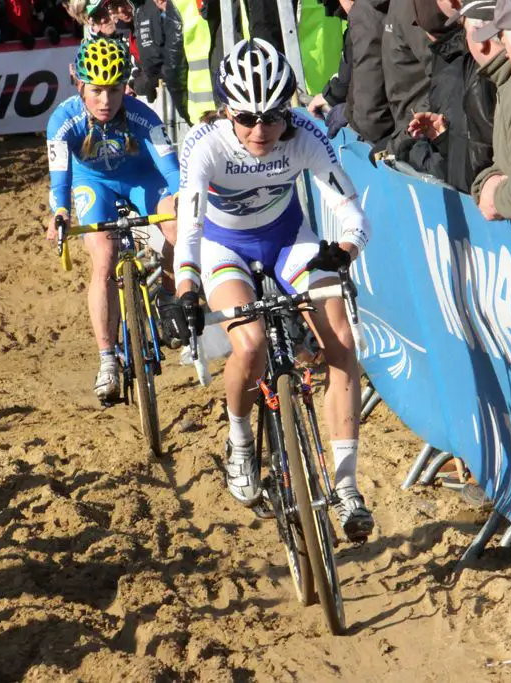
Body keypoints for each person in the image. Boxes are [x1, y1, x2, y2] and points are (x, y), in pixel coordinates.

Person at [173, 38, 375, 541]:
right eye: (246, 118)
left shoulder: (304, 133)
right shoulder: (206, 145)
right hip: (224, 249)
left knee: (342, 342)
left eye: (271, 118)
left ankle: (347, 487)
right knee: (251, 343)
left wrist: (344, 250)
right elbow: (190, 229)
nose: (260, 130)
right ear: (226, 111)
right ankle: (241, 442)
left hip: (288, 240)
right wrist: (186, 288)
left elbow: (353, 212)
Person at [45, 37, 180, 403]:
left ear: (126, 87)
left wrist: (180, 199)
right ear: (80, 86)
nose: (106, 102)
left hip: (141, 178)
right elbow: (61, 180)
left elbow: (172, 172)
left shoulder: (141, 115)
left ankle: (167, 296)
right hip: (95, 183)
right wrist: (59, 213)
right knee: (103, 261)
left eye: (115, 90)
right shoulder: (63, 120)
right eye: (97, 91)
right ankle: (107, 358)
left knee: (176, 226)